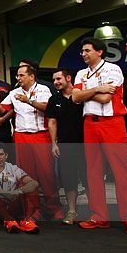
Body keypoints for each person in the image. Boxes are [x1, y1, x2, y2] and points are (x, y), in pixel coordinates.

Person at [71, 37, 127, 233]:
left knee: (120, 171)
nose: (84, 54)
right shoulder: (81, 73)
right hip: (89, 124)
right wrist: (95, 88)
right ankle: (99, 216)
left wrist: (87, 91)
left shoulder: (112, 69)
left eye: (87, 50)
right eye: (82, 51)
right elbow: (75, 97)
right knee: (93, 172)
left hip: (112, 123)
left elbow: (105, 97)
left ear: (99, 51)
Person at [0, 64, 61, 220]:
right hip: (21, 136)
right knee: (26, 175)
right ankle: (33, 210)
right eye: (17, 76)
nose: (18, 78)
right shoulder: (13, 93)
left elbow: (47, 108)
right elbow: (2, 111)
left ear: (31, 76)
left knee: (46, 174)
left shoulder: (44, 90)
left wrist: (28, 100)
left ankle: (54, 208)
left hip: (40, 135)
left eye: (21, 75)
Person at [45, 68, 85, 224]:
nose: (56, 82)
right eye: (54, 80)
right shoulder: (54, 99)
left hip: (85, 144)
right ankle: (72, 211)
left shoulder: (82, 96)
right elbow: (52, 122)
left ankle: (97, 212)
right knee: (69, 179)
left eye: (59, 79)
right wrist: (54, 143)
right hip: (65, 145)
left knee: (88, 179)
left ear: (68, 78)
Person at [0, 143, 40, 233]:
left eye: (1, 154)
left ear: (6, 155)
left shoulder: (13, 168)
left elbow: (34, 183)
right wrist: (3, 192)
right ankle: (9, 219)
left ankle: (27, 220)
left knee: (30, 189)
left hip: (13, 202)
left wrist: (18, 192)